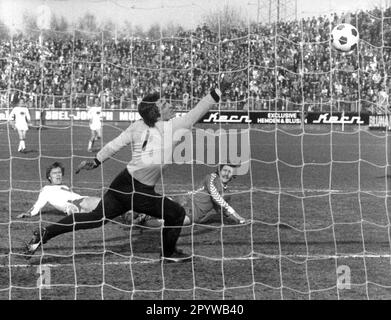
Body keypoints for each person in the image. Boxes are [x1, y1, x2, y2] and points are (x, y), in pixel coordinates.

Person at [24, 71, 239, 263]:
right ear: (156, 112)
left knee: (93, 219)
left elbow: (115, 144)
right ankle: (168, 253)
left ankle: (45, 233)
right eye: (164, 104)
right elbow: (201, 108)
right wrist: (221, 87)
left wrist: (96, 161)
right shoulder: (175, 126)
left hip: (122, 183)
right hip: (139, 191)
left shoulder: (138, 125)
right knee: (176, 213)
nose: (169, 105)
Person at [129, 163, 247, 227]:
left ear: (233, 176)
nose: (226, 174)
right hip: (185, 201)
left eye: (229, 172)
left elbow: (223, 210)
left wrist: (238, 220)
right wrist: (237, 216)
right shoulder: (211, 178)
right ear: (219, 170)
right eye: (224, 170)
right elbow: (216, 197)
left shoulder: (227, 194)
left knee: (168, 224)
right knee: (154, 204)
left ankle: (142, 220)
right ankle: (131, 212)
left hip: (193, 215)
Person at [16, 162, 101, 218]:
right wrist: (29, 213)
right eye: (54, 173)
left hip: (85, 200)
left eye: (59, 173)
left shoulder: (65, 187)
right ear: (49, 177)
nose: (58, 175)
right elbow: (38, 204)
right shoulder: (46, 189)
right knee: (108, 209)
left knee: (110, 208)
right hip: (81, 205)